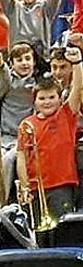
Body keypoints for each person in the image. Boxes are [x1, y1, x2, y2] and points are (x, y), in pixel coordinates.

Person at [16, 47, 83, 221]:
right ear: (35, 101)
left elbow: (78, 87)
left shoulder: (66, 115)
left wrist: (77, 63)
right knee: (39, 236)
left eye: (51, 97)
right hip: (35, 188)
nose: (47, 102)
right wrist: (24, 186)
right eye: (42, 98)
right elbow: (22, 157)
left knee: (62, 232)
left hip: (62, 186)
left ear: (60, 99)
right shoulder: (27, 124)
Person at [0, 42, 37, 204]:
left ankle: (3, 202)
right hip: (4, 136)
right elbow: (4, 77)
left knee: (8, 160)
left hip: (21, 140)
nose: (24, 63)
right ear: (12, 63)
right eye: (19, 60)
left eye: (28, 59)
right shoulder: (8, 81)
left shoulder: (37, 84)